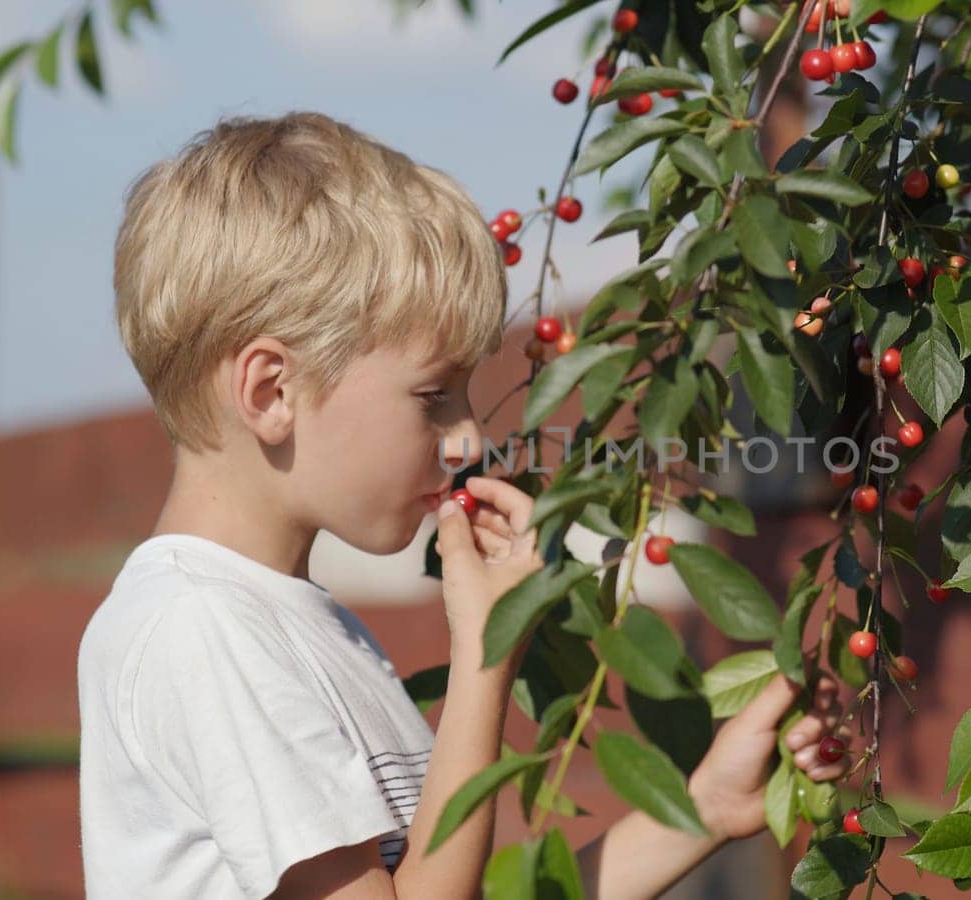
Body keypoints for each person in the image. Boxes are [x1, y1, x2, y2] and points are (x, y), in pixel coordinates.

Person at [76, 111, 850, 900]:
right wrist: (486, 653)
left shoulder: (290, 627)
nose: (467, 440)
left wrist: (705, 807)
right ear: (271, 391)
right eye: (432, 396)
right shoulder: (204, 633)